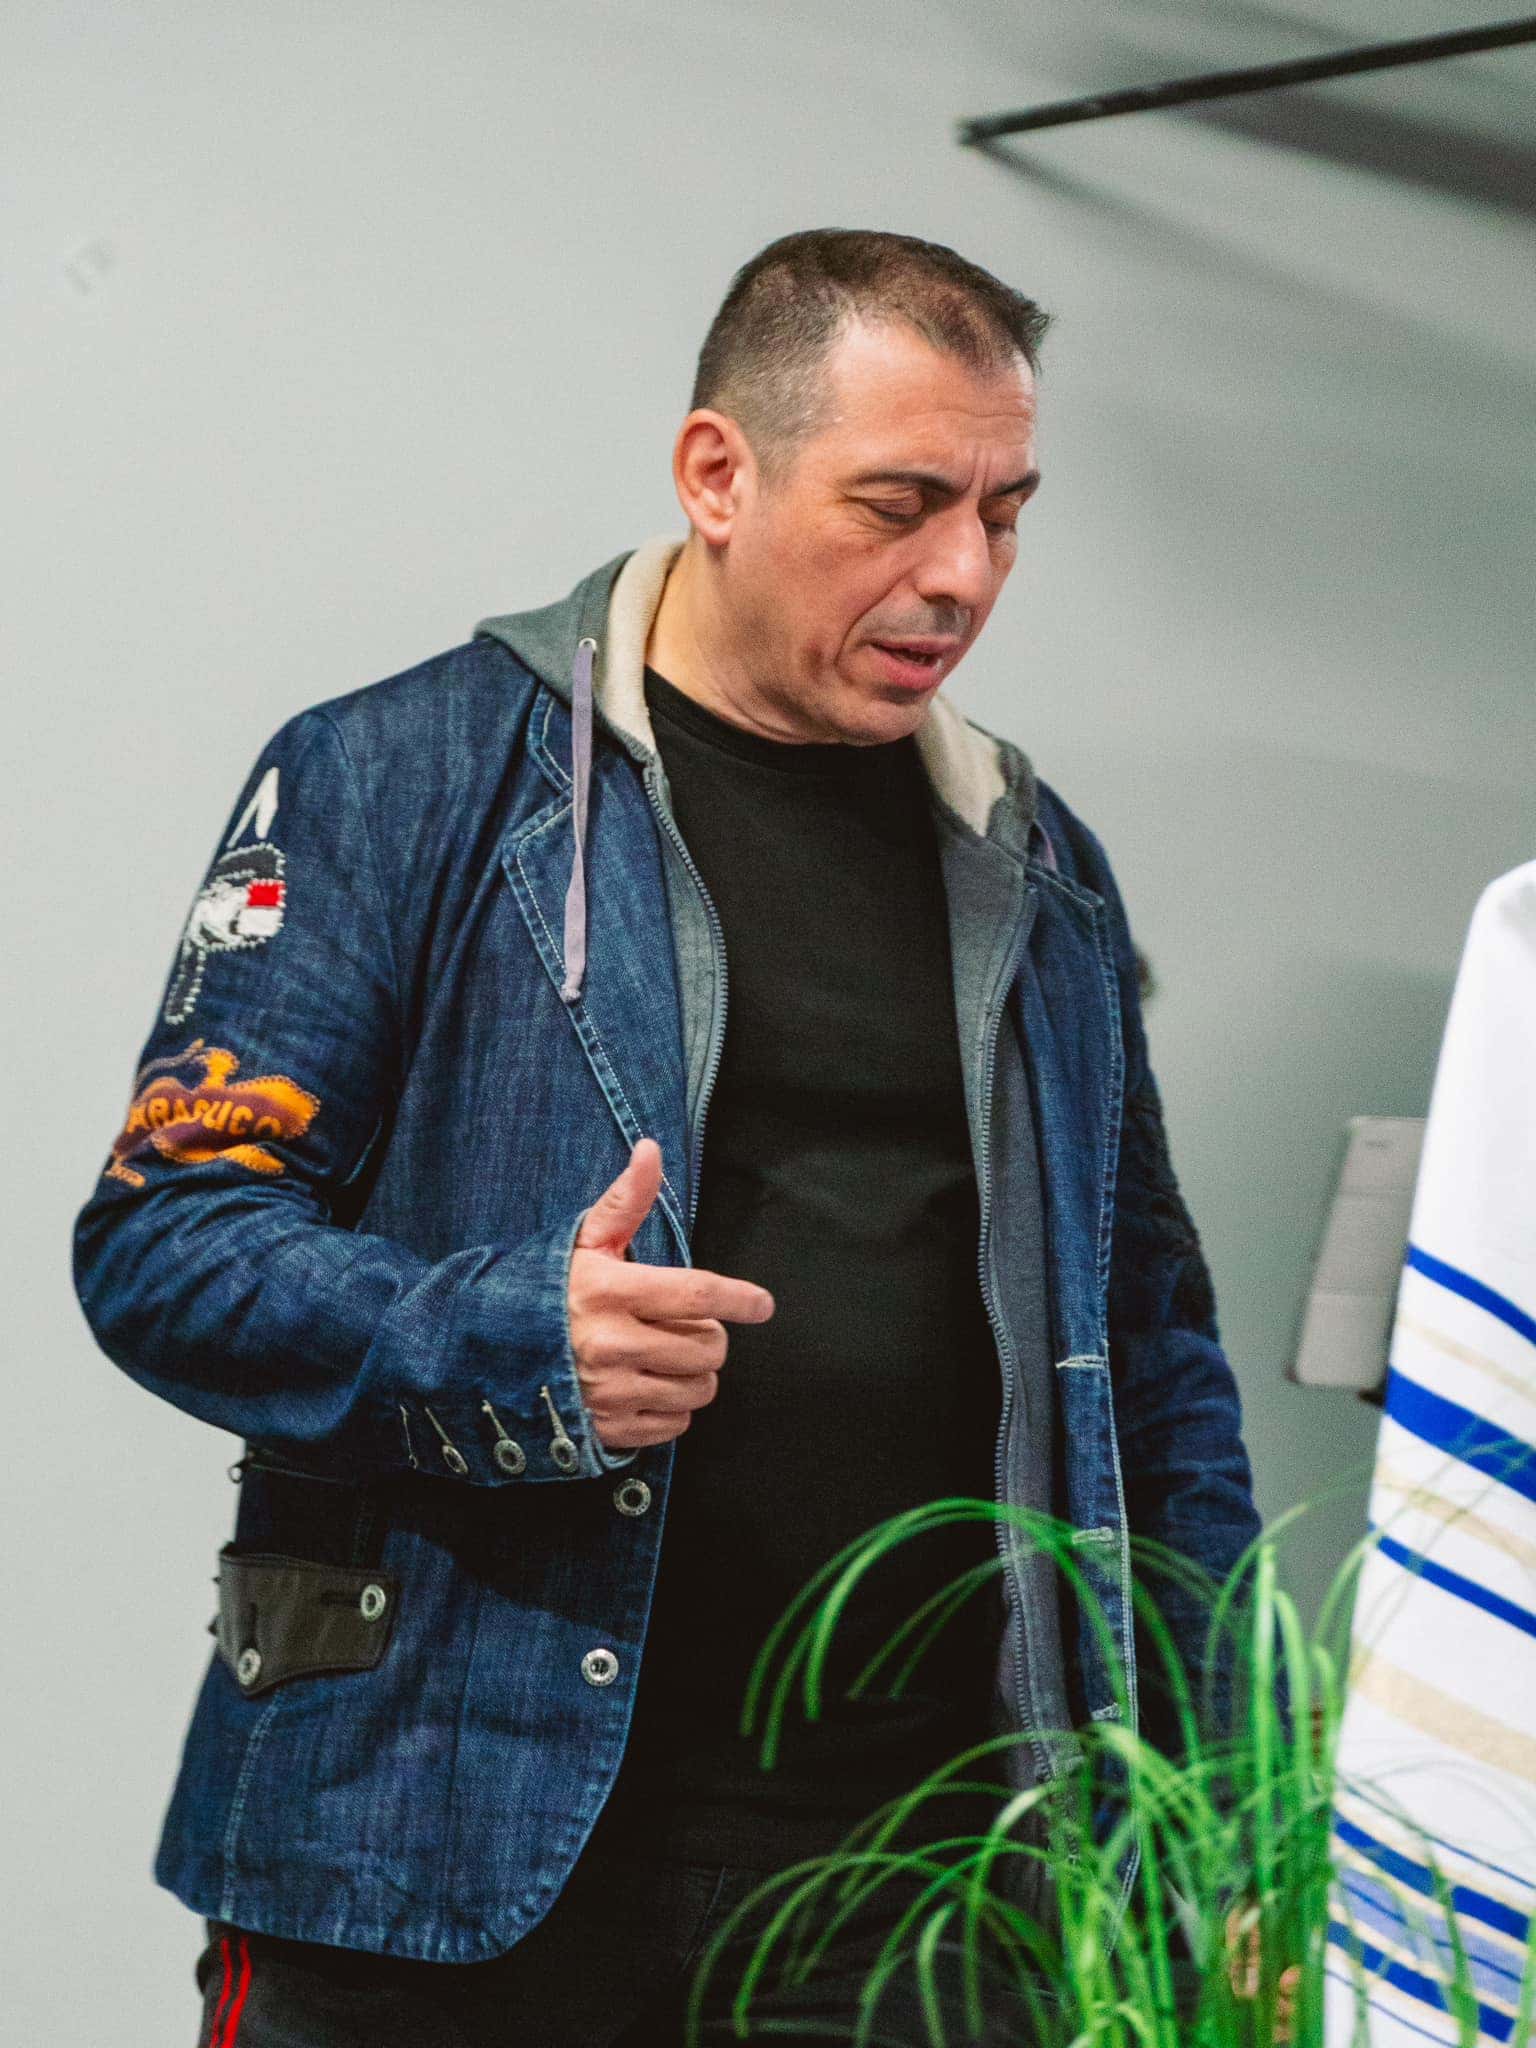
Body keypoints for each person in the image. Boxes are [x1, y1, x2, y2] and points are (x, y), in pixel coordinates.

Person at [72, 227, 1271, 2045]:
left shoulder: (1036, 868)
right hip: (438, 1846)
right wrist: (502, 1336)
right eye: (900, 504)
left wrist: (1231, 1805)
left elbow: (1154, 1368)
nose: (963, 575)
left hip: (924, 1897)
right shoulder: (402, 774)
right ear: (719, 472)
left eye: (1006, 512)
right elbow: (166, 1237)